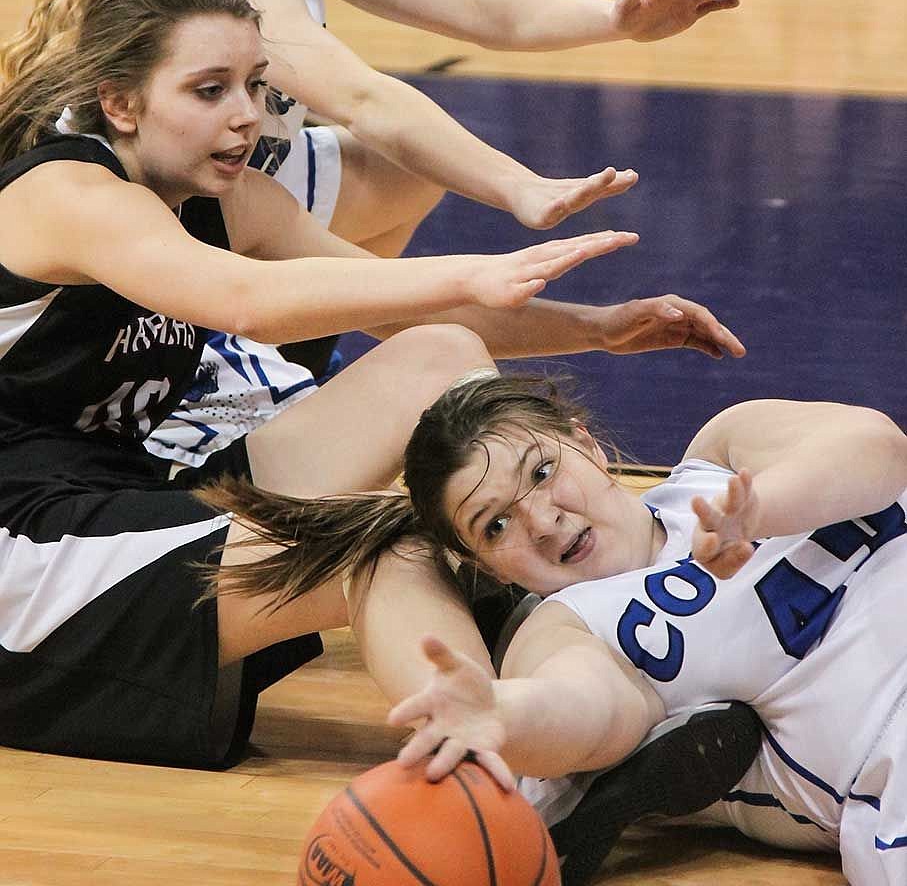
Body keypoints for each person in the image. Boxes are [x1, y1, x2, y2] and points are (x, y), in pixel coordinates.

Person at [0, 0, 745, 772]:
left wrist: (596, 328)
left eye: (255, 84)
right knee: (379, 548)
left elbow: (407, 313)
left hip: (114, 493)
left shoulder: (228, 201)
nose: (247, 116)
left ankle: (623, 606)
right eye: (209, 90)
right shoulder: (67, 194)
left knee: (439, 356)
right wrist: (467, 271)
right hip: (21, 552)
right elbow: (244, 300)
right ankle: (507, 750)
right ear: (120, 102)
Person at [1, 0, 747, 469]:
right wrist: (518, 189)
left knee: (396, 193)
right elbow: (360, 99)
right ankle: (261, 352)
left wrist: (618, 21)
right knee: (354, 237)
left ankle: (299, 342)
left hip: (208, 191)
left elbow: (482, 10)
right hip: (128, 222)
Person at [224, 371, 907, 883]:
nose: (544, 521)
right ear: (483, 565)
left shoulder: (721, 451)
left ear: (587, 444)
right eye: (496, 525)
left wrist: (760, 511)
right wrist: (502, 713)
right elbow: (587, 709)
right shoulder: (567, 626)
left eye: (543, 471)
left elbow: (876, 447)